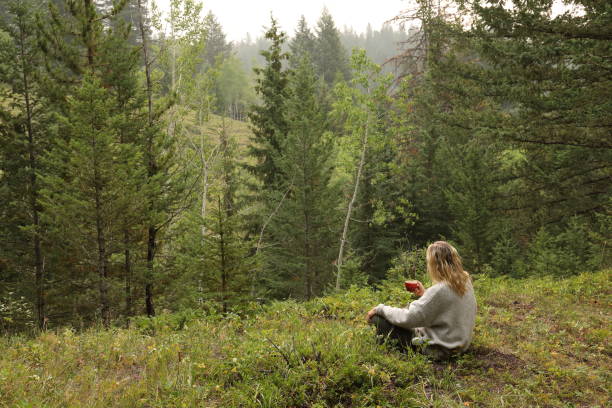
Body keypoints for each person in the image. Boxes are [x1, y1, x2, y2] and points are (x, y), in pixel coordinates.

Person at [366, 241, 477, 360]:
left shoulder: (439, 290)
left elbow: (409, 318)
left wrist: (381, 309)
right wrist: (425, 294)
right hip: (458, 347)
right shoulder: (464, 280)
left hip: (438, 350)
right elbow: (447, 306)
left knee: (378, 318)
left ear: (435, 264)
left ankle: (382, 356)